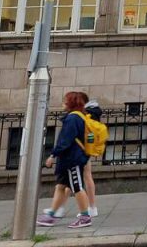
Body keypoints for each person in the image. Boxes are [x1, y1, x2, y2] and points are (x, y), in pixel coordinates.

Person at [37, 91, 94, 229]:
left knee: (77, 187)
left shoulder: (73, 119)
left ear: (71, 103)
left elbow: (65, 140)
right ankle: (51, 214)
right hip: (71, 158)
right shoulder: (79, 117)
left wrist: (53, 155)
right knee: (61, 186)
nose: (63, 103)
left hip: (71, 159)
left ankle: (85, 216)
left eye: (65, 100)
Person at [54, 100, 103, 219]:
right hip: (84, 149)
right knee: (80, 178)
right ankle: (91, 207)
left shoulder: (80, 114)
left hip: (78, 151)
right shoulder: (92, 115)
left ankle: (64, 209)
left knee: (74, 180)